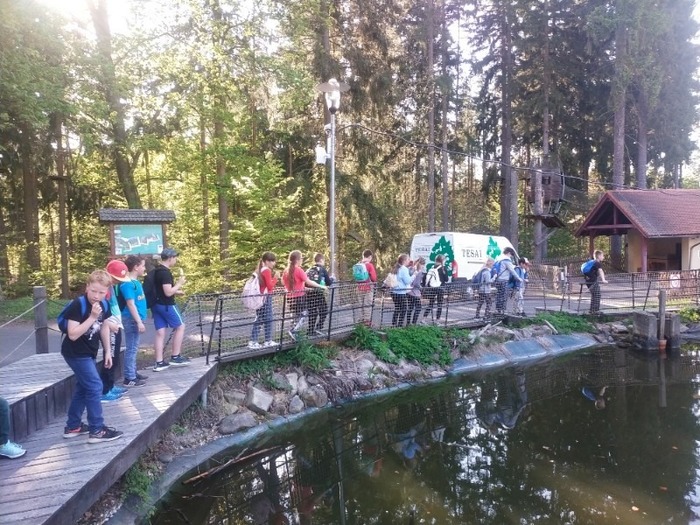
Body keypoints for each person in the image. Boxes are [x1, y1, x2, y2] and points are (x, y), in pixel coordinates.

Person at [61, 270, 123, 443]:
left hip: (89, 352)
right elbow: (73, 334)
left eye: (101, 292)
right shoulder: (78, 305)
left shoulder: (104, 305)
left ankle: (73, 426)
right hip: (75, 353)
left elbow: (104, 327)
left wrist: (108, 351)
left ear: (107, 292)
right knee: (95, 386)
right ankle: (97, 430)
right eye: (93, 291)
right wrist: (92, 317)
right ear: (87, 287)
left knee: (84, 387)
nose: (96, 296)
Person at [152, 247, 190, 371]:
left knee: (160, 332)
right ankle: (175, 356)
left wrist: (177, 292)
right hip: (167, 306)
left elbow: (161, 290)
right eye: (175, 257)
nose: (176, 260)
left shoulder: (157, 270)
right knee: (180, 326)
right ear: (170, 258)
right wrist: (179, 283)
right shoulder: (165, 273)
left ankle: (159, 362)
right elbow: (168, 293)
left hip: (156, 305)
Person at [100, 259, 131, 402]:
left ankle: (110, 385)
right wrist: (108, 323)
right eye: (117, 279)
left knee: (115, 356)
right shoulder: (103, 289)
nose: (118, 282)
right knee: (110, 357)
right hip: (110, 326)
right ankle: (104, 391)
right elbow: (100, 310)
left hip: (115, 325)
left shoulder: (111, 287)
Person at [283, 250, 326, 341]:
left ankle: (294, 334)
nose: (302, 260)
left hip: (290, 298)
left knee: (295, 316)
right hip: (299, 297)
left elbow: (291, 285)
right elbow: (308, 281)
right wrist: (321, 286)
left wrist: (306, 289)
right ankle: (293, 331)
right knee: (303, 314)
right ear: (297, 260)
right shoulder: (299, 270)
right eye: (301, 258)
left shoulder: (286, 271)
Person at [120, 255, 148, 387]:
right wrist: (139, 322)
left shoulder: (136, 283)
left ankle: (133, 372)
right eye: (143, 265)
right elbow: (130, 304)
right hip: (131, 319)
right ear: (136, 267)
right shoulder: (127, 284)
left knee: (134, 347)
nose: (144, 268)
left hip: (136, 319)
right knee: (131, 348)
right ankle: (129, 377)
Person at [249, 252, 280, 349]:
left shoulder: (260, 269)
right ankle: (267, 341)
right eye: (272, 261)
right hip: (265, 297)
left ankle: (254, 341)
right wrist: (276, 278)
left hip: (260, 297)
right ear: (266, 261)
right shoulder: (266, 270)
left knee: (260, 318)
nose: (274, 263)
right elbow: (270, 286)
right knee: (268, 318)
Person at [306, 253, 332, 337]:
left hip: (309, 293)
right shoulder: (322, 269)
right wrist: (332, 279)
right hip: (318, 293)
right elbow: (328, 282)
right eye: (323, 260)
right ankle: (319, 326)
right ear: (321, 260)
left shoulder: (309, 269)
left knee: (312, 312)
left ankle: (310, 330)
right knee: (324, 310)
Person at [493, 247, 522, 316]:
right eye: (511, 254)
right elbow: (512, 271)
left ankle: (497, 309)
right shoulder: (507, 261)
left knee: (499, 295)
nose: (511, 256)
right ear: (509, 253)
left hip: (498, 280)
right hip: (504, 280)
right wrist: (519, 278)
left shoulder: (499, 259)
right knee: (504, 296)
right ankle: (503, 310)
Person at [422, 254, 448, 324]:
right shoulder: (443, 268)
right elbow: (446, 279)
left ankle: (423, 319)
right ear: (442, 260)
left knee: (430, 304)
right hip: (440, 288)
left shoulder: (432, 267)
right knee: (439, 305)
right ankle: (437, 321)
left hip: (432, 288)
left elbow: (425, 277)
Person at [356, 249, 377, 326]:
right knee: (367, 305)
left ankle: (360, 321)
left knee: (360, 304)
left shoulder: (358, 264)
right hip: (368, 287)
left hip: (359, 287)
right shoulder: (369, 265)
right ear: (370, 257)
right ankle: (367, 322)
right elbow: (374, 278)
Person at [391, 254, 412, 327]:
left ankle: (394, 324)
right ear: (404, 261)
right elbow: (407, 281)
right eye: (408, 259)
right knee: (404, 309)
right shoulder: (404, 269)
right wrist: (414, 275)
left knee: (397, 308)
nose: (409, 261)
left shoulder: (396, 267)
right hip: (400, 292)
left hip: (394, 291)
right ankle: (399, 325)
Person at [585, 250, 608, 314]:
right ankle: (595, 310)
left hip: (588, 280)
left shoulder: (591, 262)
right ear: (599, 256)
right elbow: (601, 271)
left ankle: (592, 310)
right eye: (602, 256)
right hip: (593, 281)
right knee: (597, 295)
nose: (603, 257)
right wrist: (603, 280)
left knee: (594, 295)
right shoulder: (597, 263)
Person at [406, 257, 426, 325]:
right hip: (415, 292)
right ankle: (414, 323)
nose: (423, 266)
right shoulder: (419, 272)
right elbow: (416, 283)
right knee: (418, 308)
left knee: (410, 307)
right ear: (420, 264)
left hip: (408, 291)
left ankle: (408, 323)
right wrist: (420, 287)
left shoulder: (410, 269)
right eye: (423, 265)